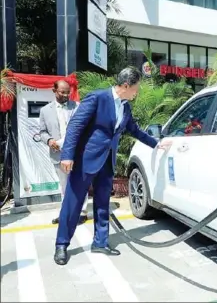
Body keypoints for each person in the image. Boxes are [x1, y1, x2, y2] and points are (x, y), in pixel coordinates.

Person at [53, 67, 170, 265]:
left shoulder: (125, 107)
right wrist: (67, 156)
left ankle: (100, 242)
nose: (137, 92)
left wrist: (156, 144)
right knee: (72, 204)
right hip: (85, 161)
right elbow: (75, 126)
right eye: (136, 88)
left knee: (102, 204)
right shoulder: (97, 98)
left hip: (107, 162)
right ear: (126, 85)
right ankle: (62, 244)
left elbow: (134, 130)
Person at [39, 80, 88, 225]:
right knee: (64, 186)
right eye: (62, 92)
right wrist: (49, 141)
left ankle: (82, 212)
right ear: (54, 91)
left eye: (68, 92)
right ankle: (66, 213)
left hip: (77, 152)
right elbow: (42, 132)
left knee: (80, 182)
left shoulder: (77, 107)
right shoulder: (45, 111)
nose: (66, 95)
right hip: (58, 153)